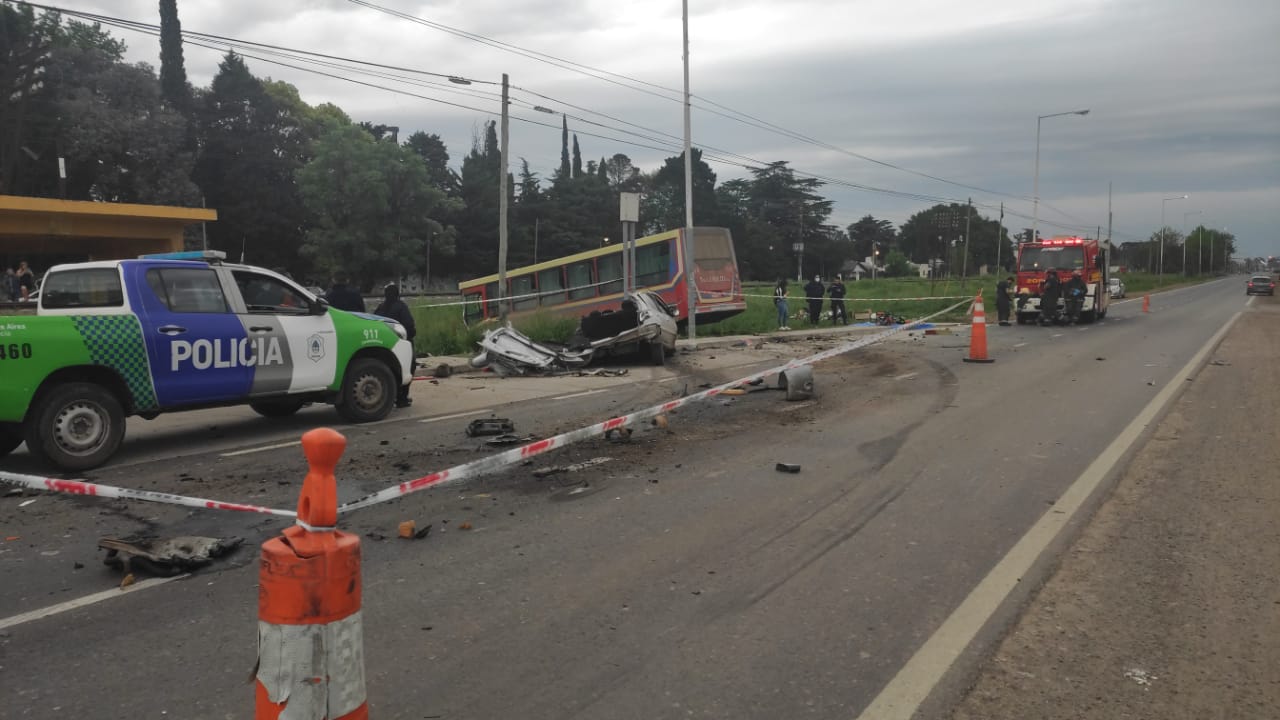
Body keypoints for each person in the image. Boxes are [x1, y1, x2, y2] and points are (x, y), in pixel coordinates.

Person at [374, 283, 417, 408]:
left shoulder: (380, 308)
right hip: (400, 344)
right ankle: (402, 398)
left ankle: (387, 397)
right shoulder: (401, 307)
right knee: (407, 368)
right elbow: (409, 326)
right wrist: (410, 336)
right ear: (398, 294)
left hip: (382, 346)